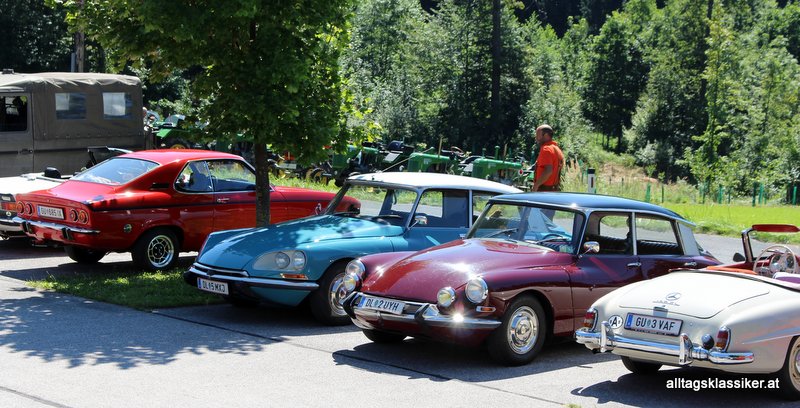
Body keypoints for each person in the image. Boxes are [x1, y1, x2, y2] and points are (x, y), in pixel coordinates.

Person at [531, 124, 565, 192]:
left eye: (538, 135)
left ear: (546, 135)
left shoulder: (546, 149)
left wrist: (536, 186)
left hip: (543, 191)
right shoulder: (557, 149)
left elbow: (548, 171)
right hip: (554, 190)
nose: (536, 138)